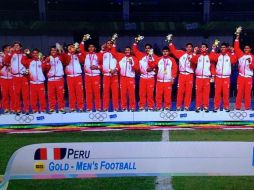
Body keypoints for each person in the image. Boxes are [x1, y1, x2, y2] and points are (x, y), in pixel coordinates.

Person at [210, 42, 237, 112]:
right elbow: (211, 57)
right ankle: (216, 106)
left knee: (226, 93)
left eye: (224, 47)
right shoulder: (218, 55)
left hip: (226, 77)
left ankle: (226, 107)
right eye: (221, 47)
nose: (223, 48)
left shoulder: (229, 55)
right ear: (220, 48)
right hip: (218, 77)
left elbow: (234, 60)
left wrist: (233, 51)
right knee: (217, 93)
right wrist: (213, 49)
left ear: (226, 48)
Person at [4, 42, 30, 114]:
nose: (16, 47)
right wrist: (10, 52)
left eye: (17, 46)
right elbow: (5, 61)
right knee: (16, 94)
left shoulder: (24, 54)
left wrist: (27, 69)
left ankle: (26, 109)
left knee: (25, 94)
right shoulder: (11, 54)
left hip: (23, 76)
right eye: (15, 46)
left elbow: (27, 63)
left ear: (21, 47)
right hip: (15, 77)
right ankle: (17, 109)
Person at [132, 39, 158, 111]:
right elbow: (134, 50)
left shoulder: (155, 57)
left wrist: (152, 68)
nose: (147, 49)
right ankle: (142, 106)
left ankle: (150, 107)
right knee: (142, 93)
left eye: (148, 48)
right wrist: (136, 42)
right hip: (143, 77)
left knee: (150, 93)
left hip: (150, 78)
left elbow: (157, 66)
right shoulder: (141, 55)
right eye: (146, 48)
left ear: (151, 49)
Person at [111, 45, 139, 111]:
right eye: (126, 50)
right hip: (122, 78)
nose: (127, 51)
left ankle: (133, 107)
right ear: (124, 51)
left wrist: (132, 63)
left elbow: (137, 69)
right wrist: (115, 70)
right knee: (123, 93)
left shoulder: (134, 58)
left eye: (128, 50)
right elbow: (118, 66)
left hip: (130, 78)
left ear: (131, 51)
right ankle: (124, 107)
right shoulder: (122, 57)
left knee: (131, 94)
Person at [169, 41, 195, 111]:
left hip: (190, 75)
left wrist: (193, 57)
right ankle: (178, 106)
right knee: (180, 91)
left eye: (190, 47)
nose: (189, 48)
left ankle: (186, 106)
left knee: (188, 92)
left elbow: (196, 62)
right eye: (188, 47)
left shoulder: (194, 55)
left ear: (192, 48)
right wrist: (170, 42)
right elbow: (173, 50)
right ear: (186, 48)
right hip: (182, 75)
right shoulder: (181, 53)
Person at [21, 49, 49, 113]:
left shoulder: (41, 61)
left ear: (39, 54)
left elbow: (46, 69)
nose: (35, 54)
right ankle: (34, 110)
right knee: (33, 98)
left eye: (37, 53)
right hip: (32, 82)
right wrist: (25, 54)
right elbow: (22, 61)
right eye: (34, 53)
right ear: (32, 54)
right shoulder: (29, 61)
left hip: (40, 82)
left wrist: (45, 61)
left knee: (42, 97)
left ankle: (43, 109)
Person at [190, 43, 216, 112]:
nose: (202, 48)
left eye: (204, 47)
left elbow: (212, 66)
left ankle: (206, 107)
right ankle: (198, 106)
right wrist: (194, 52)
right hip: (198, 78)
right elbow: (192, 60)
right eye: (201, 47)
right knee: (198, 92)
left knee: (206, 93)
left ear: (207, 48)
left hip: (206, 78)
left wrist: (213, 49)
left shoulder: (209, 56)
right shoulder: (198, 56)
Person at [80, 40, 103, 112]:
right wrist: (83, 41)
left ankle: (98, 107)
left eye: (92, 47)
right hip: (87, 76)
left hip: (96, 76)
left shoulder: (98, 55)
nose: (90, 48)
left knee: (97, 92)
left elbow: (102, 64)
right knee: (88, 93)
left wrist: (97, 67)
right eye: (89, 47)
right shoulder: (85, 54)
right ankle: (89, 108)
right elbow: (81, 48)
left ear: (95, 48)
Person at [62, 43, 85, 112]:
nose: (71, 48)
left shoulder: (77, 55)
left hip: (78, 76)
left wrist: (79, 52)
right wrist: (70, 54)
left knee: (79, 92)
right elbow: (66, 62)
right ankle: (72, 108)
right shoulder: (66, 55)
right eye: (70, 47)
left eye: (72, 47)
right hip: (70, 77)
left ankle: (81, 107)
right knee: (71, 93)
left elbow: (82, 61)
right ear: (68, 49)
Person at [234, 33, 254, 110]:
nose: (246, 49)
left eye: (247, 48)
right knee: (239, 93)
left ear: (250, 49)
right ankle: (238, 107)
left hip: (248, 78)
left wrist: (250, 62)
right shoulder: (240, 55)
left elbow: (253, 67)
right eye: (245, 48)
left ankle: (247, 107)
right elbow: (236, 47)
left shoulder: (252, 57)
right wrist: (237, 37)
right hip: (241, 77)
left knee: (247, 94)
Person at [44, 46, 66, 114]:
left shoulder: (60, 57)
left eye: (54, 50)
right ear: (50, 51)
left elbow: (64, 57)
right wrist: (46, 62)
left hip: (59, 79)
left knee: (60, 94)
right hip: (50, 79)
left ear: (57, 51)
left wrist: (61, 49)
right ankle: (52, 108)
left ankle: (61, 108)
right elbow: (44, 69)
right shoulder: (47, 58)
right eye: (52, 50)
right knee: (51, 95)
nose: (53, 51)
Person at [155, 46, 178, 111]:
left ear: (169, 52)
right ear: (162, 52)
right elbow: (153, 65)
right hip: (159, 81)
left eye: (166, 51)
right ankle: (158, 107)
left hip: (168, 81)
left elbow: (175, 69)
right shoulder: (158, 59)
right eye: (164, 51)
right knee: (158, 95)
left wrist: (173, 78)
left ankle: (167, 107)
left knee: (167, 95)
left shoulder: (172, 60)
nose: (165, 53)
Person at [101, 40, 119, 111]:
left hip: (114, 75)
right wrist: (102, 50)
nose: (109, 44)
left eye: (110, 43)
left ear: (113, 45)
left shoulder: (115, 54)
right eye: (107, 43)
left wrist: (115, 70)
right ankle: (105, 107)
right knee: (106, 92)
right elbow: (99, 62)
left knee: (115, 92)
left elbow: (119, 64)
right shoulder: (103, 54)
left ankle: (116, 107)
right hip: (106, 75)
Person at [0, 44, 14, 113]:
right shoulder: (0, 56)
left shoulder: (13, 56)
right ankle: (6, 108)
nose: (10, 49)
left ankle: (14, 108)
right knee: (4, 94)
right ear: (5, 49)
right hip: (3, 77)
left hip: (11, 77)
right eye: (9, 48)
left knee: (12, 94)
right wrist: (4, 63)